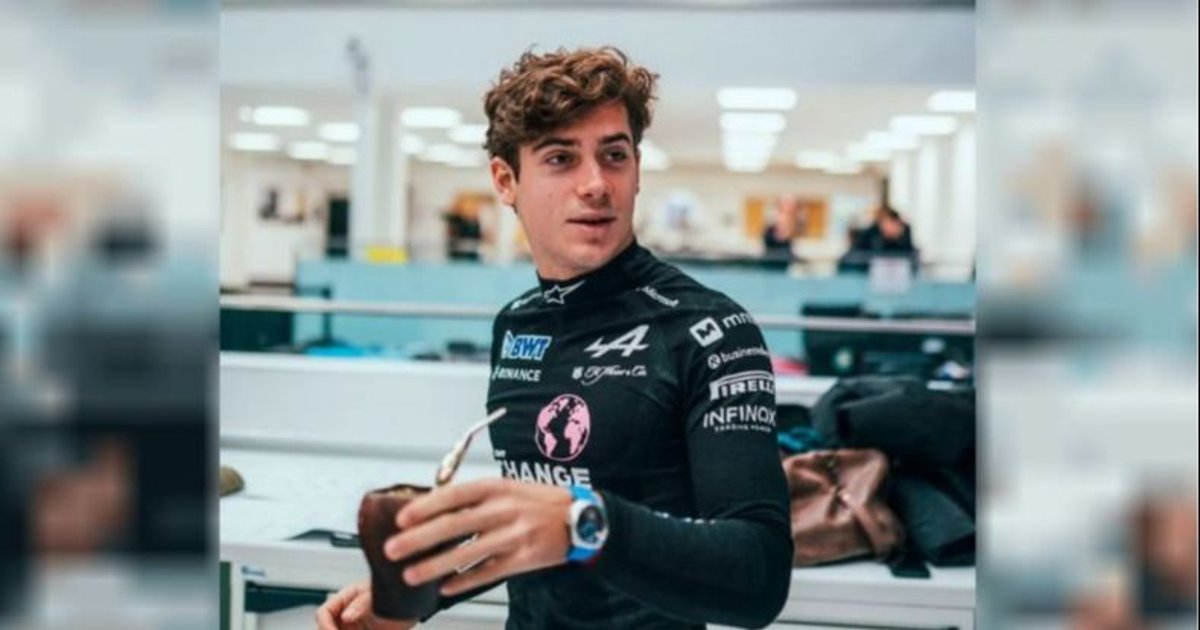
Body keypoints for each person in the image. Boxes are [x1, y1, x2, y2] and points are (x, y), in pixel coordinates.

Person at [317, 46, 792, 630]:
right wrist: (420, 590)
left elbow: (759, 574)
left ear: (637, 169)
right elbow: (530, 529)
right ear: (506, 180)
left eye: (613, 155)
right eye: (561, 158)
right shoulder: (517, 324)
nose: (595, 184)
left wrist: (582, 522)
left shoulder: (710, 330)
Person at [839, 205, 918, 273]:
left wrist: (899, 239)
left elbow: (910, 260)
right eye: (883, 222)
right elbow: (852, 257)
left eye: (890, 223)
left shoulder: (904, 235)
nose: (886, 227)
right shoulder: (870, 234)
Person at [761, 195, 802, 269]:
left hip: (782, 263)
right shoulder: (770, 230)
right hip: (771, 263)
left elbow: (787, 242)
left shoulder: (791, 225)